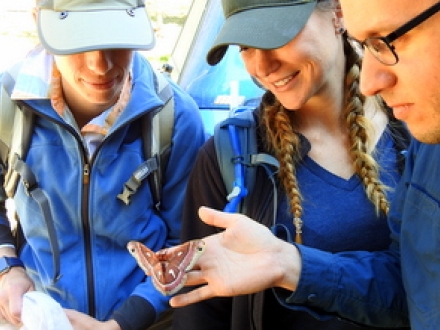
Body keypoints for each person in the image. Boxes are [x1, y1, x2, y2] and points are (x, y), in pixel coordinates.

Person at [172, 0, 411, 329]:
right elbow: (200, 315)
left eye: (277, 35)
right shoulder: (230, 156)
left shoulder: (419, 128)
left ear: (339, 14)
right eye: (245, 46)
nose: (263, 65)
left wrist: (292, 266)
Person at [0, 1, 205, 329]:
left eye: (117, 38)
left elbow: (186, 245)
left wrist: (126, 322)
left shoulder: (176, 120)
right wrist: (7, 267)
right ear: (40, 25)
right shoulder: (5, 106)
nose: (101, 65)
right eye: (78, 39)